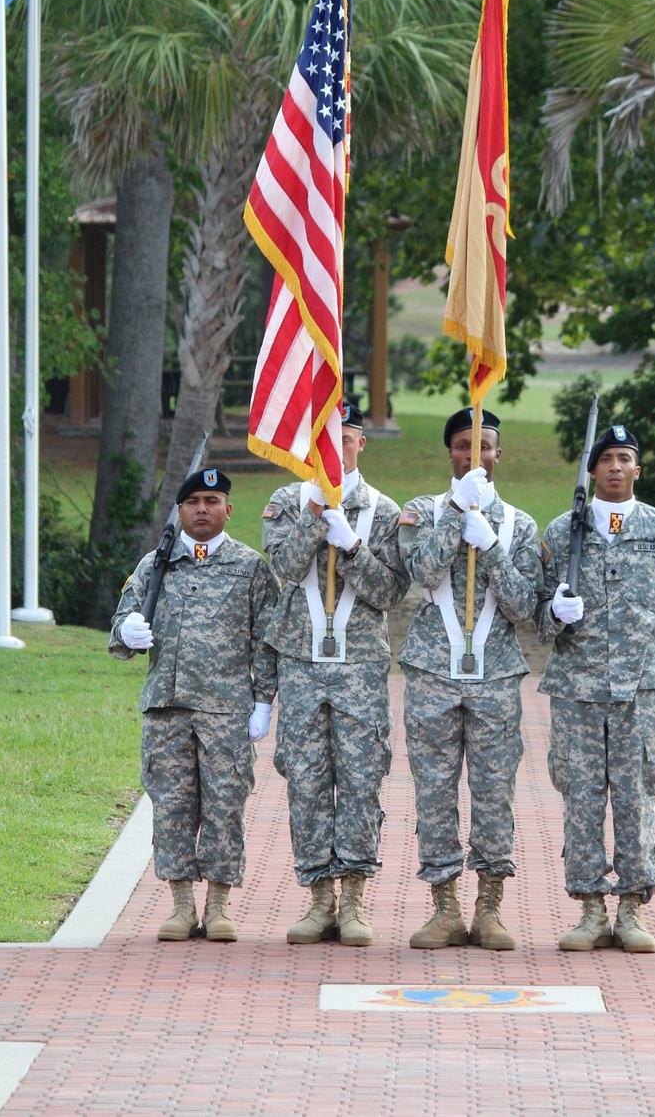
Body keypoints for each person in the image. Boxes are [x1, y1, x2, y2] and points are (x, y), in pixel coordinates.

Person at [538, 423, 655, 954]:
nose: (614, 466)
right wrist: (554, 613)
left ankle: (631, 908)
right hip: (577, 692)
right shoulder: (564, 532)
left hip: (640, 691)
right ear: (592, 469)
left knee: (636, 798)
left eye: (624, 457)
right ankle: (589, 909)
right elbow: (535, 617)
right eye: (605, 457)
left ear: (638, 469)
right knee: (581, 799)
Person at [110, 467, 280, 944]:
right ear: (180, 511)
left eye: (211, 500)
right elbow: (121, 624)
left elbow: (268, 642)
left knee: (225, 807)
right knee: (173, 808)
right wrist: (126, 632)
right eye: (192, 503)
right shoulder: (155, 565)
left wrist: (263, 701)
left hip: (226, 711)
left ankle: (220, 905)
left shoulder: (251, 568)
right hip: (166, 708)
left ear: (228, 509)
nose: (202, 509)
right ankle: (182, 906)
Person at [260, 402, 408, 947]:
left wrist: (350, 544)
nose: (333, 450)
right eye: (322, 439)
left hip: (359, 669)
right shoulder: (285, 502)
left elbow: (391, 592)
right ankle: (318, 897)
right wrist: (315, 516)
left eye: (343, 439)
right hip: (300, 664)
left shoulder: (385, 512)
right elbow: (280, 568)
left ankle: (354, 900)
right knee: (307, 780)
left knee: (360, 779)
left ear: (360, 444)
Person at [397, 407, 542, 951]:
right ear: (450, 453)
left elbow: (524, 604)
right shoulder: (422, 511)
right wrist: (457, 516)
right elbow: (420, 574)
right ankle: (444, 909)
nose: (472, 455)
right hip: (433, 675)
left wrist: (493, 546)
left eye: (483, 446)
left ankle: (489, 908)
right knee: (434, 794)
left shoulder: (520, 526)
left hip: (496, 678)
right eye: (462, 445)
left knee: (494, 793)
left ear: (497, 455)